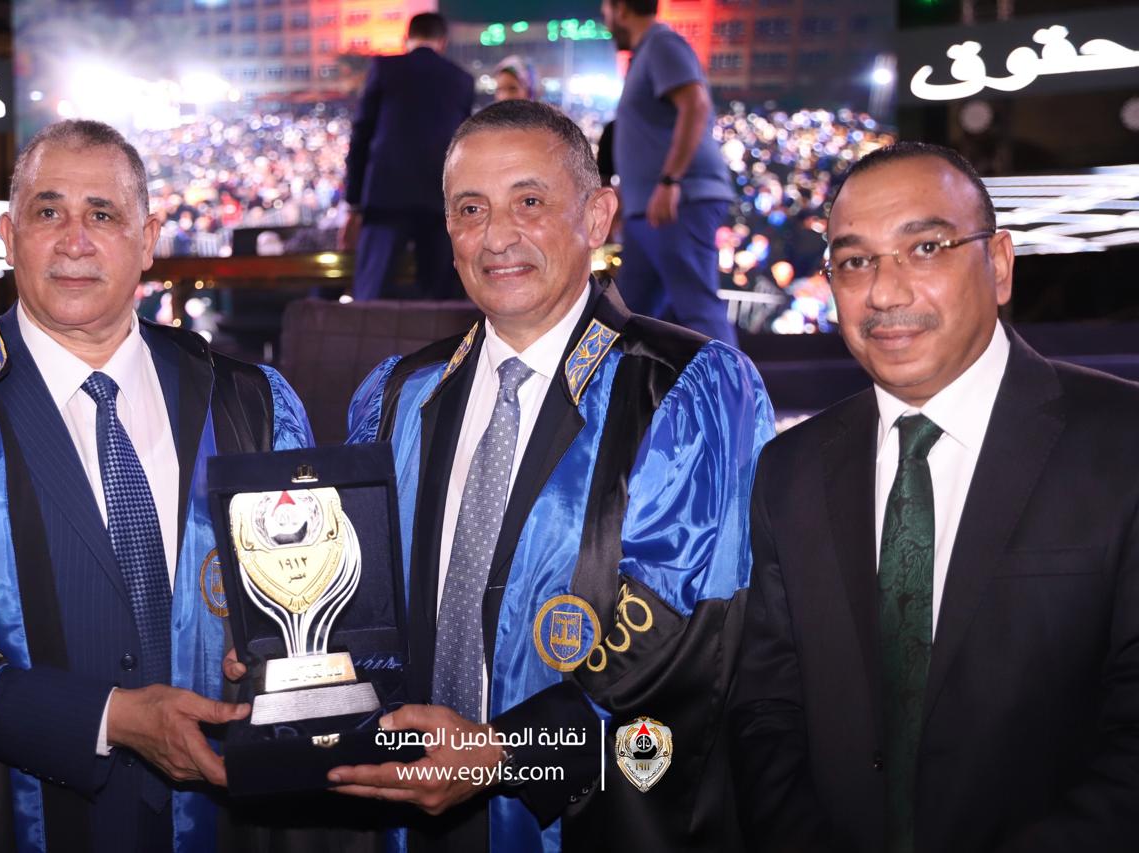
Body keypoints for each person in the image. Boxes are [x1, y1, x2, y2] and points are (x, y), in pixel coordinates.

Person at [0, 119, 312, 853]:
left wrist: (272, 658)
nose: (75, 241)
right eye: (49, 212)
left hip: (222, 816)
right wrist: (102, 718)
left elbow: (304, 604)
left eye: (103, 214)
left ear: (149, 238)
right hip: (20, 813)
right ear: (10, 237)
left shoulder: (249, 400)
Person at [338, 99, 774, 852]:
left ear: (598, 215)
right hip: (410, 806)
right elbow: (360, 596)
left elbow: (690, 625)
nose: (496, 236)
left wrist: (508, 752)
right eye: (470, 208)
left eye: (530, 203)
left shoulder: (685, 388)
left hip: (596, 812)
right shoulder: (399, 396)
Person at [729, 142, 1139, 853]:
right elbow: (765, 710)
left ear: (999, 264)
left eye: (925, 248)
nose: (885, 292)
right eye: (855, 262)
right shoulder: (788, 470)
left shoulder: (1122, 443)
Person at [601, 0, 739, 345]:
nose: (605, 21)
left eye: (605, 11)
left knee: (697, 309)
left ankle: (731, 382)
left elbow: (695, 104)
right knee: (631, 318)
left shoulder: (662, 43)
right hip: (650, 209)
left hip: (678, 202)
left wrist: (670, 180)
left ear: (621, 9)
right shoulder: (646, 53)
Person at [341, 12, 474, 301]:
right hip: (439, 200)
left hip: (386, 197)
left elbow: (361, 136)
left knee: (370, 295)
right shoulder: (461, 79)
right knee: (438, 301)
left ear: (406, 38)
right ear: (443, 41)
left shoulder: (384, 69)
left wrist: (354, 204)